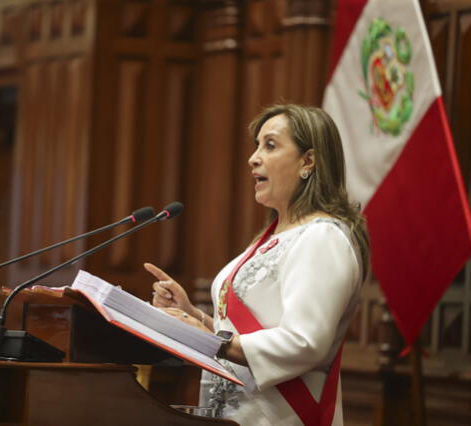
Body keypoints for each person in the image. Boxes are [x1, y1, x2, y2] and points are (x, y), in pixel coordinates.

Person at [145, 104, 370, 425]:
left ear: (308, 160)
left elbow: (305, 343)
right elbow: (244, 332)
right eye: (257, 146)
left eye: (271, 145)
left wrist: (210, 340)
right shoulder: (270, 237)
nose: (253, 157)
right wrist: (192, 317)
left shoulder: (323, 238)